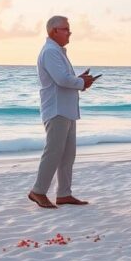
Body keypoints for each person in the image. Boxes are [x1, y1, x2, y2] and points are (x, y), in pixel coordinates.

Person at [28, 16, 96, 209]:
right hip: (57, 109)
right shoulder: (50, 52)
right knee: (53, 152)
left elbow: (65, 79)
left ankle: (64, 193)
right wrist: (82, 82)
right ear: (53, 31)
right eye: (65, 29)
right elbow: (61, 79)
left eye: (69, 29)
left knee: (67, 154)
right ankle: (38, 191)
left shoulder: (57, 52)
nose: (69, 33)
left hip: (66, 109)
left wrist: (79, 80)